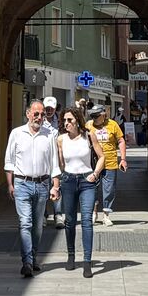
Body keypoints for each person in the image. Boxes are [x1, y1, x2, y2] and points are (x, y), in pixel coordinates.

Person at [2, 99, 59, 277]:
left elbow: (54, 163)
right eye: (36, 113)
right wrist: (10, 184)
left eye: (42, 114)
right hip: (22, 183)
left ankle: (33, 258)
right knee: (25, 223)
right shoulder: (16, 134)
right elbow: (9, 161)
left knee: (37, 227)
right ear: (28, 114)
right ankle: (27, 261)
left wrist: (55, 186)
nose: (40, 117)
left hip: (42, 184)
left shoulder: (49, 135)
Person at [55, 109, 102, 271]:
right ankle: (71, 256)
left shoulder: (89, 136)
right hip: (68, 180)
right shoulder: (61, 139)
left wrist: (95, 174)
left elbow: (102, 157)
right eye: (64, 120)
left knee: (87, 220)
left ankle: (87, 261)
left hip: (86, 180)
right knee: (70, 221)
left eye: (69, 120)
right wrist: (57, 183)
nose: (66, 123)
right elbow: (60, 164)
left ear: (77, 120)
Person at [88, 107, 126, 225]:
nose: (93, 119)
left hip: (110, 161)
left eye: (96, 116)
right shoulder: (88, 125)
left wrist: (123, 159)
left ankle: (106, 215)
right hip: (93, 162)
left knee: (109, 189)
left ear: (103, 115)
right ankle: (94, 212)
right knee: (92, 187)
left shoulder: (113, 124)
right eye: (92, 116)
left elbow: (121, 141)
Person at [40, 95, 63, 227]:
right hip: (43, 159)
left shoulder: (60, 121)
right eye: (47, 108)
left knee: (57, 186)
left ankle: (58, 214)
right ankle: (43, 215)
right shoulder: (40, 121)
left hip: (57, 159)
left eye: (51, 108)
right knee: (43, 188)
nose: (49, 111)